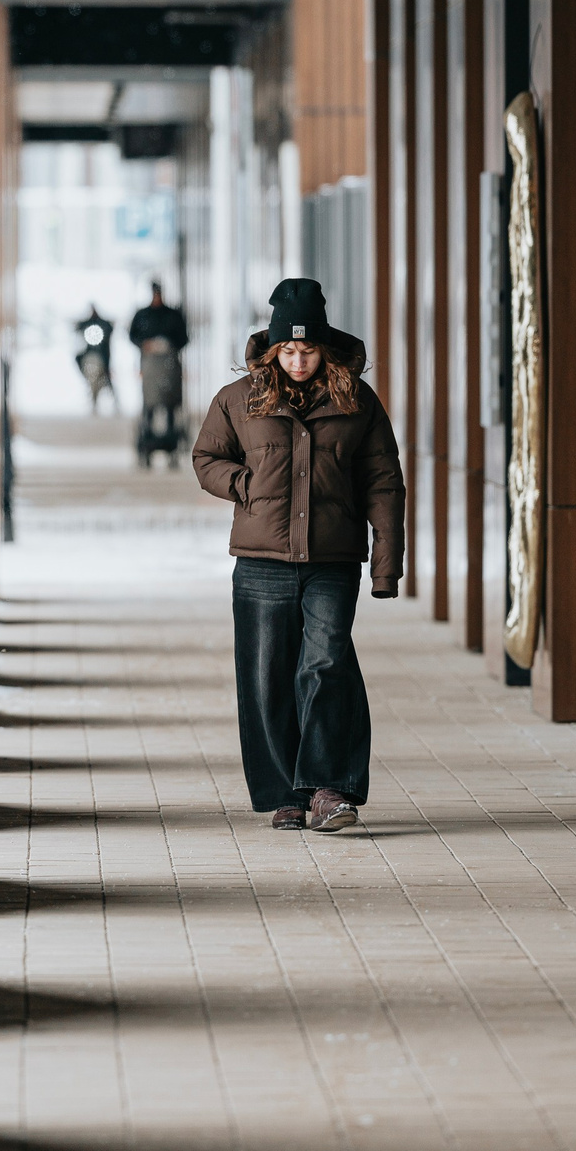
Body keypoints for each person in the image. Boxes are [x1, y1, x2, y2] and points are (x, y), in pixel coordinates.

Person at [191, 277, 402, 833]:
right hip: (261, 563)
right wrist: (243, 484)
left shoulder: (356, 401)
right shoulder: (238, 400)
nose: (299, 360)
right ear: (272, 348)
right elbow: (206, 456)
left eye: (308, 350)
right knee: (266, 676)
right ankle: (285, 791)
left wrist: (386, 562)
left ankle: (328, 791)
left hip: (333, 561)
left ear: (325, 347)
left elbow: (384, 482)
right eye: (288, 349)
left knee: (326, 665)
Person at [127, 282, 190, 468]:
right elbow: (132, 336)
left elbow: (183, 338)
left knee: (170, 403)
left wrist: (168, 346)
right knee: (150, 404)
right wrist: (145, 345)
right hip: (150, 366)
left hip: (170, 365)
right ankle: (148, 438)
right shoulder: (143, 315)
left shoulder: (173, 315)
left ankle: (171, 440)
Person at [73, 304, 115, 414]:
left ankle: (113, 404)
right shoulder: (89, 325)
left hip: (101, 359)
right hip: (92, 358)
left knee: (104, 382)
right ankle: (96, 402)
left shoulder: (102, 325)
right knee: (95, 382)